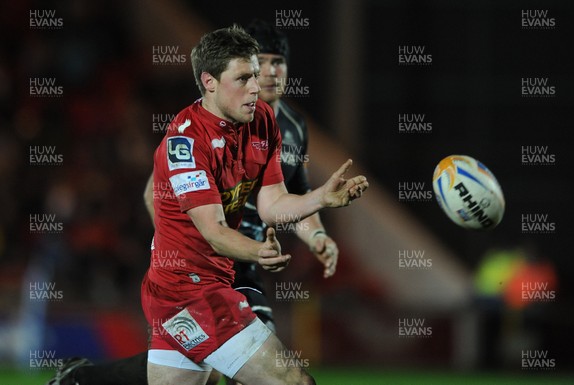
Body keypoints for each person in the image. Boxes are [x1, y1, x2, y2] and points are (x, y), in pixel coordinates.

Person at [48, 24, 367, 385]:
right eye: (243, 78)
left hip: (193, 287)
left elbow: (272, 202)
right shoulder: (185, 143)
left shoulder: (261, 120)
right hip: (190, 293)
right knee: (294, 382)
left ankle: (81, 380)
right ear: (209, 81)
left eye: (256, 75)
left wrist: (320, 197)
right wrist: (258, 251)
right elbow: (214, 232)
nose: (255, 86)